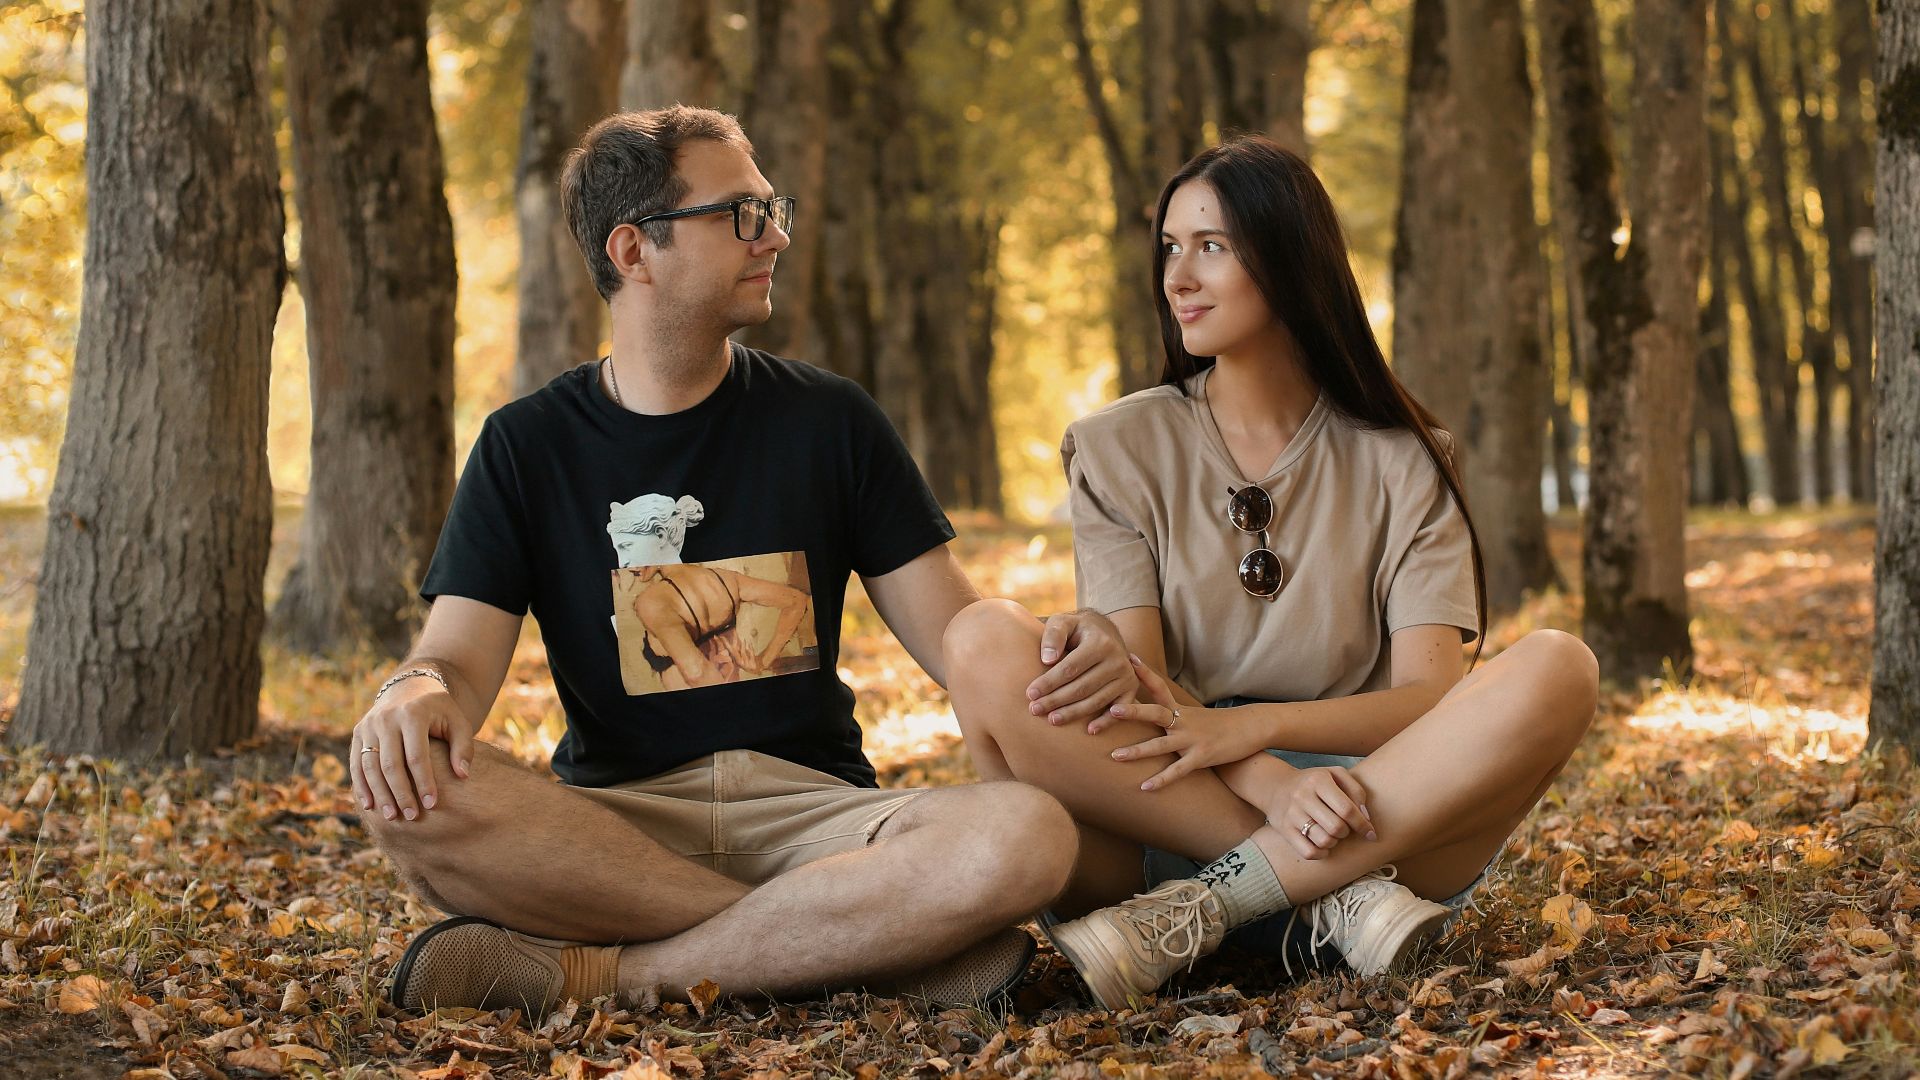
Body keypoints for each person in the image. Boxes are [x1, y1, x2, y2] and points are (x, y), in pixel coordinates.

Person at [350, 106, 1138, 1018]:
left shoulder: (831, 420)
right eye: (741, 215)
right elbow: (453, 662)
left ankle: (621, 974)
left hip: (820, 820)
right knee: (402, 789)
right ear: (633, 250)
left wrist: (1057, 639)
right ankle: (855, 952)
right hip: (616, 826)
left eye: (773, 209)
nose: (776, 236)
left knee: (1029, 835)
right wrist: (411, 689)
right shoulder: (525, 446)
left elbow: (957, 630)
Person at [942, 136, 1599, 1011]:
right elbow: (1140, 690)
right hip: (1166, 811)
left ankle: (1212, 908)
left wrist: (1256, 731)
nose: (1179, 275)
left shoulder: (1407, 460)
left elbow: (1428, 700)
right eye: (1170, 248)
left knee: (1561, 664)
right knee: (982, 636)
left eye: (1211, 245)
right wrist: (1273, 782)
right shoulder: (1115, 448)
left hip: (1377, 821)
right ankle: (1326, 901)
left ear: (1291, 258)